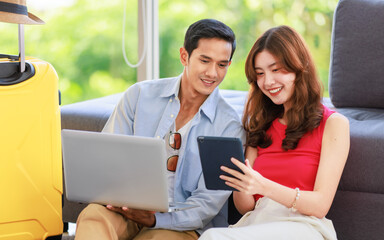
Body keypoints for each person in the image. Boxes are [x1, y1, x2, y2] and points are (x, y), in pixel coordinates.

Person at [74, 19, 245, 240]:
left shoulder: (230, 126)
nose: (213, 73)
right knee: (94, 216)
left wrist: (155, 219)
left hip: (181, 226)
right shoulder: (139, 96)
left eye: (222, 65)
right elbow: (107, 160)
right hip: (126, 209)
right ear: (184, 56)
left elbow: (206, 204)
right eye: (205, 60)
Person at [199, 25, 350, 240]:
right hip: (258, 222)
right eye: (260, 74)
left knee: (213, 238)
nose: (268, 82)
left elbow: (320, 205)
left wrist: (263, 185)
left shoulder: (334, 124)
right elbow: (246, 207)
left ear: (299, 66)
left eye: (276, 69)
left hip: (304, 226)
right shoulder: (260, 124)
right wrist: (239, 181)